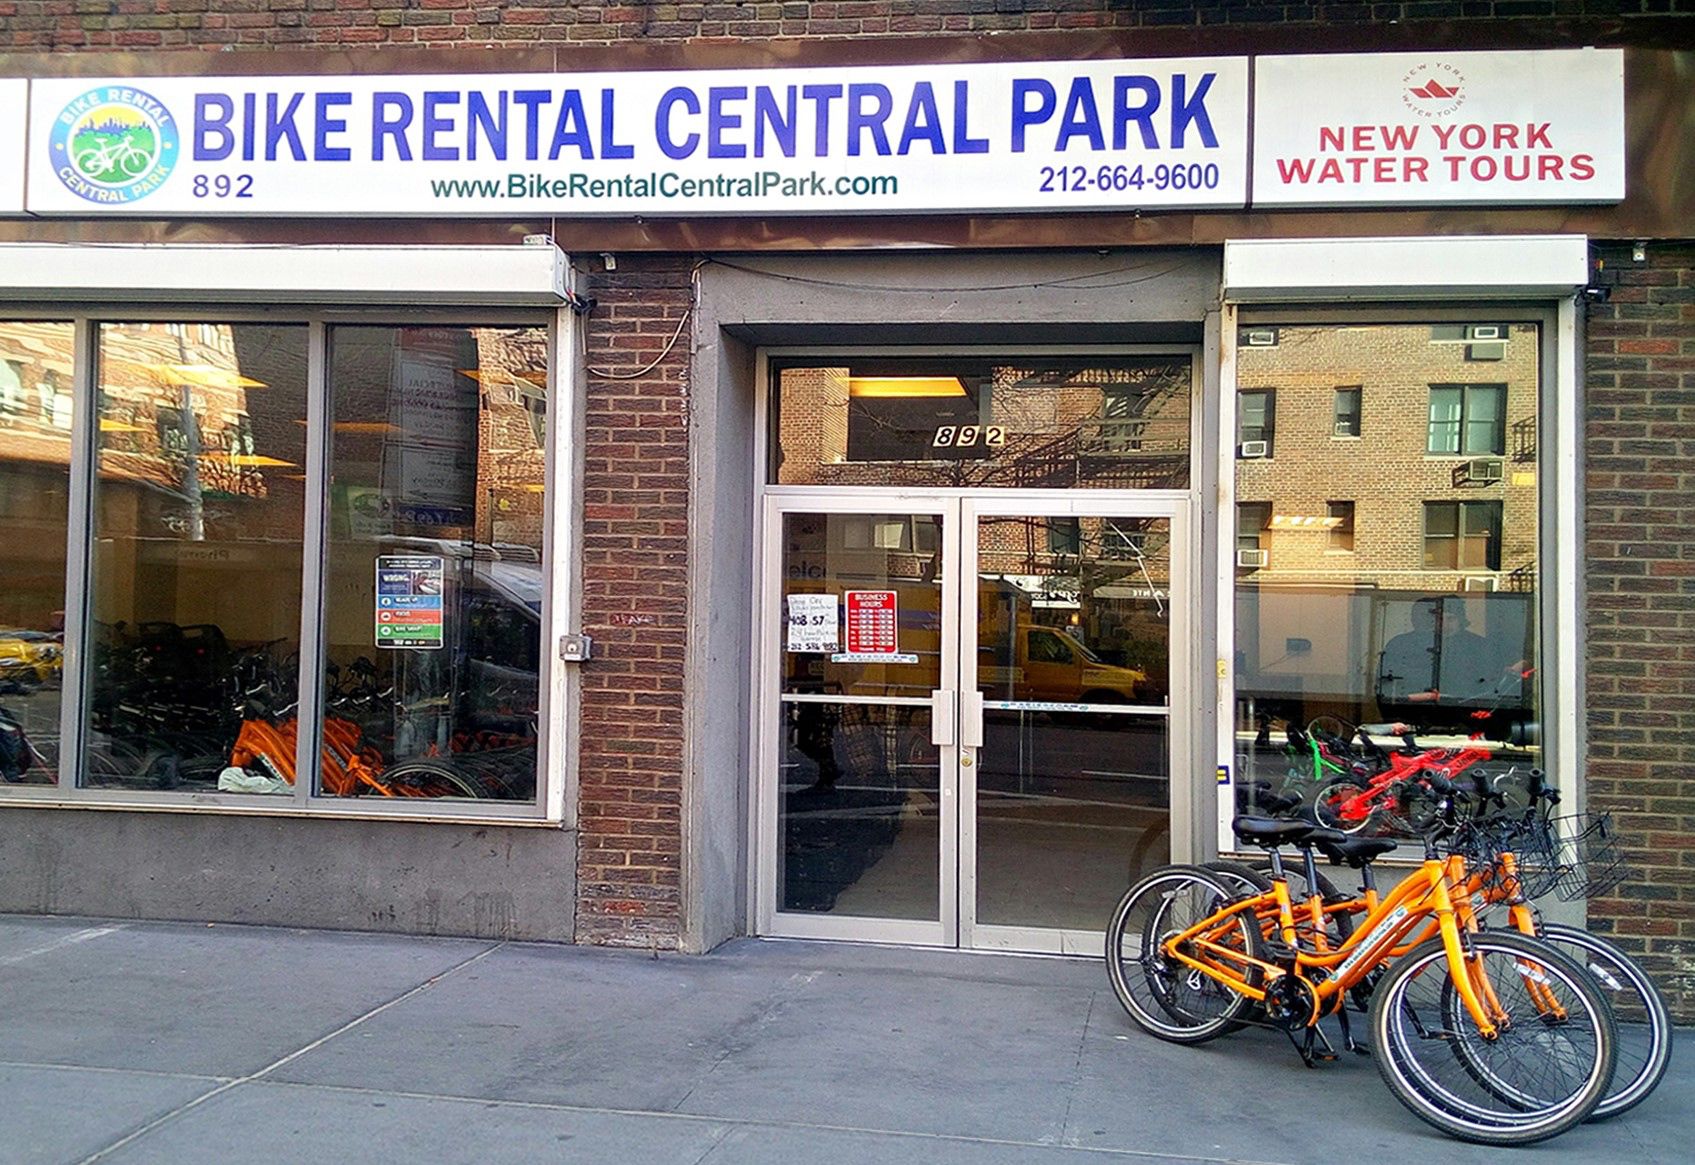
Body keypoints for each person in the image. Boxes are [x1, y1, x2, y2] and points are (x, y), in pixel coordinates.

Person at [1377, 597, 1522, 728]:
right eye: (1440, 619)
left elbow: (1491, 687)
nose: (1445, 624)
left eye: (1451, 618)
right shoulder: (1404, 644)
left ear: (1461, 619)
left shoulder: (1481, 647)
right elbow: (1385, 687)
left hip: (1467, 721)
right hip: (1413, 719)